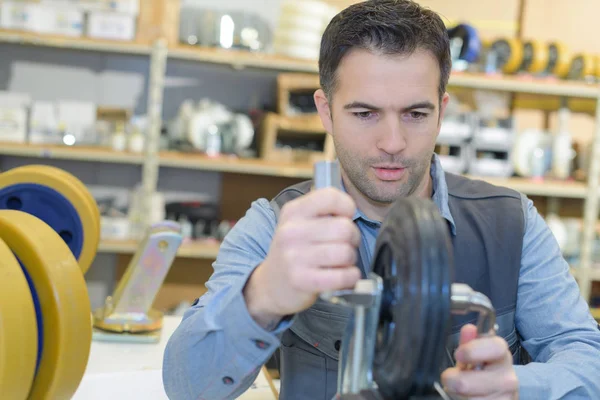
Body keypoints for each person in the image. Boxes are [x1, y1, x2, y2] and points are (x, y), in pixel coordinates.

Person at [162, 1, 600, 399]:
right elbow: (187, 388)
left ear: (442, 111)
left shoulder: (512, 223)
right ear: (325, 110)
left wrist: (516, 386)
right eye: (364, 113)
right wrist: (262, 296)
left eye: (415, 113)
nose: (392, 142)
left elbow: (588, 362)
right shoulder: (278, 228)